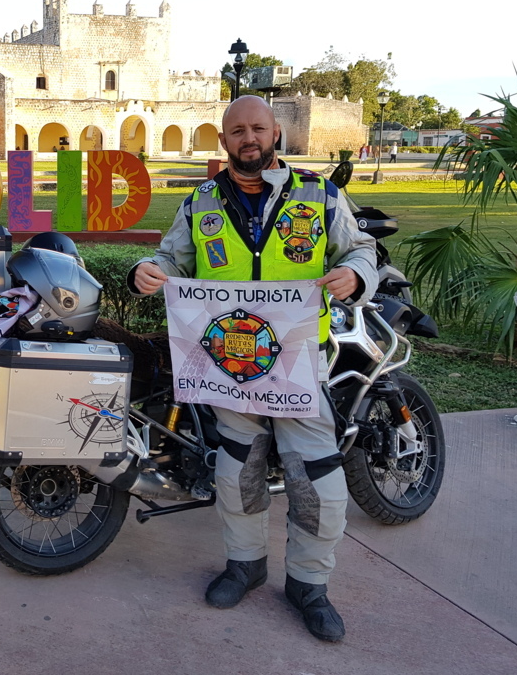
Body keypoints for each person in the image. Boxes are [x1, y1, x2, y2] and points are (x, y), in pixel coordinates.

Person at [129, 95, 377, 643]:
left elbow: (360, 250)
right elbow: (172, 259)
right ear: (224, 141)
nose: (249, 139)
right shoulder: (201, 203)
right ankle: (245, 566)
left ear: (275, 133)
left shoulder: (318, 195)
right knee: (236, 471)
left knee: (319, 482)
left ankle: (310, 585)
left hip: (295, 364)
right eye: (237, 131)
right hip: (228, 364)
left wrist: (356, 277)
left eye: (258, 128)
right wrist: (148, 270)